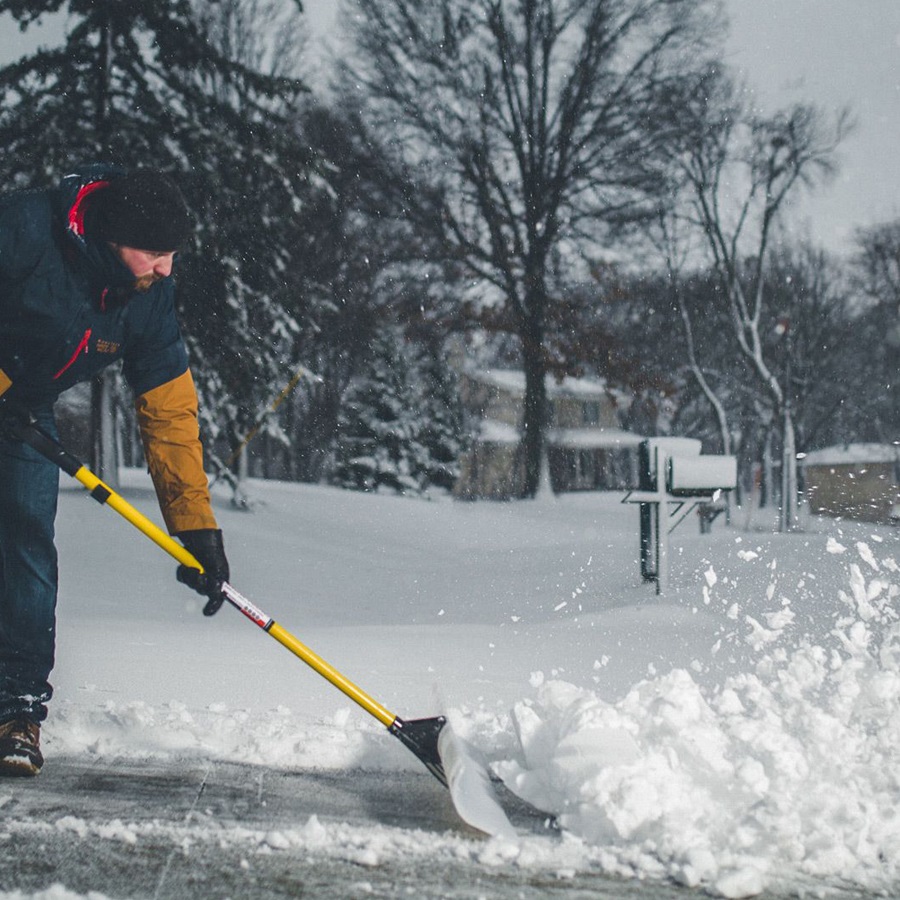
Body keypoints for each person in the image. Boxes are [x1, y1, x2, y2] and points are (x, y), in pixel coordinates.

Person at [0, 164, 231, 776]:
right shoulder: (22, 233)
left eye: (172, 254)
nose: (166, 269)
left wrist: (195, 527)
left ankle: (15, 710)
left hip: (22, 410)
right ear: (107, 237)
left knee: (25, 541)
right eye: (153, 253)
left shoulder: (148, 298)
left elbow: (170, 411)